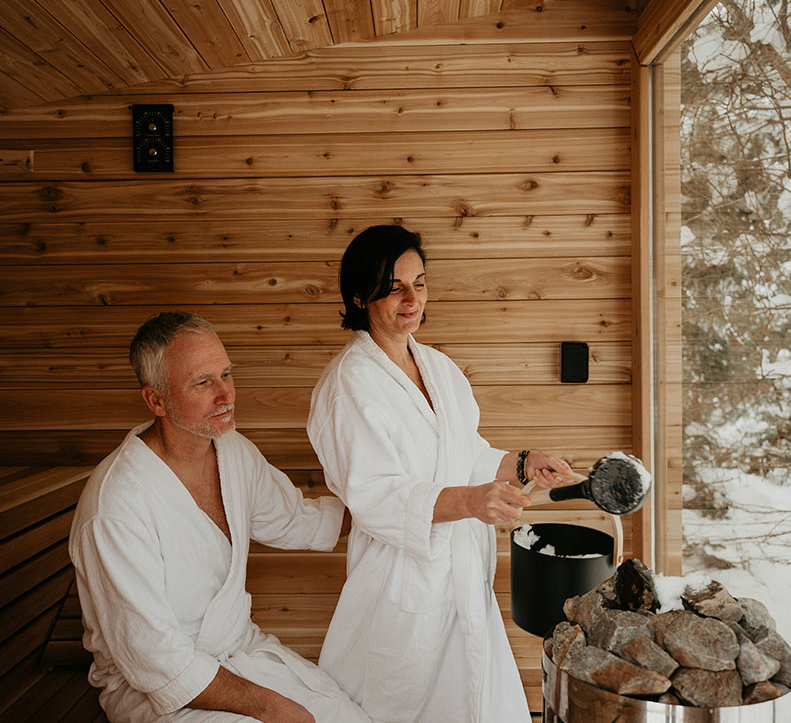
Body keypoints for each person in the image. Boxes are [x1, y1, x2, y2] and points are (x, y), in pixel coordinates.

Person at [306, 225, 575, 722]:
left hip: (464, 576)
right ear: (360, 296)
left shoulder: (439, 368)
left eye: (420, 283)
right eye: (394, 288)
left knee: (476, 701)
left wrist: (521, 462)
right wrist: (471, 502)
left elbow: (464, 453)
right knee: (396, 706)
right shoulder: (349, 387)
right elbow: (375, 497)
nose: (412, 299)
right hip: (399, 586)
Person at [69, 311, 370, 723]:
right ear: (156, 400)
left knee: (350, 718)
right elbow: (157, 659)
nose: (226, 394)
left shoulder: (232, 450)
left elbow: (296, 519)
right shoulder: (115, 507)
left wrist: (392, 508)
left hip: (240, 652)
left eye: (226, 374)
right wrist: (273, 707)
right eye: (203, 382)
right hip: (157, 689)